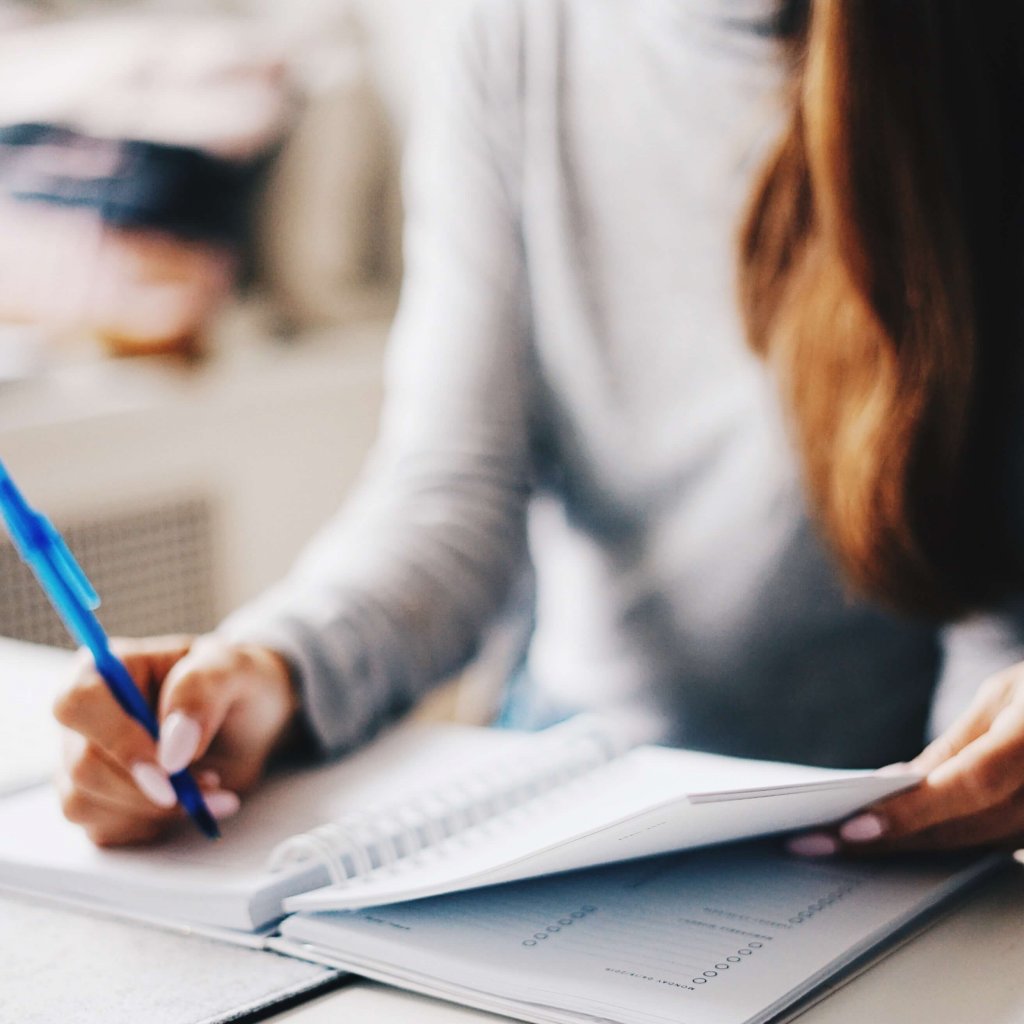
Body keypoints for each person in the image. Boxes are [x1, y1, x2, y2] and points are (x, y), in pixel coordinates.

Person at [51, 0, 1024, 857]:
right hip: (576, 801)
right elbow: (450, 496)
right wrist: (268, 668)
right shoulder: (516, 34)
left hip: (906, 836)